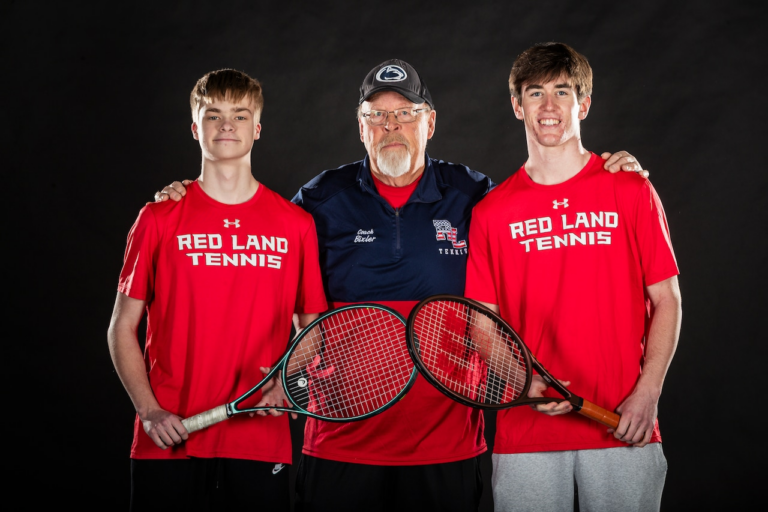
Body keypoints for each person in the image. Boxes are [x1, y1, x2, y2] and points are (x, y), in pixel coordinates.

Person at [155, 59, 647, 512]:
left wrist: (609, 170)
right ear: (361, 127)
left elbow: (542, 199)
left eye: (406, 114)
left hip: (448, 446)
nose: (392, 128)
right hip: (338, 443)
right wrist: (189, 198)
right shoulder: (318, 200)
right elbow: (253, 238)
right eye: (377, 116)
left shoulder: (476, 195)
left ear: (429, 123)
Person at [465, 43, 682, 512]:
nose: (548, 107)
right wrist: (525, 384)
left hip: (624, 423)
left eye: (562, 92)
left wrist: (648, 393)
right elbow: (483, 326)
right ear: (516, 105)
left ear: (582, 104)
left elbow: (668, 300)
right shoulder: (490, 213)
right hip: (527, 434)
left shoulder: (630, 187)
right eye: (535, 92)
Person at [107, 69, 328, 511]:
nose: (227, 125)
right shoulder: (158, 218)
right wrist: (150, 411)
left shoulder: (295, 224)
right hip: (169, 436)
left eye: (240, 115)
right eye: (214, 115)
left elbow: (313, 327)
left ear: (257, 129)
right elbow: (121, 328)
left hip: (258, 441)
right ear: (195, 128)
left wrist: (284, 382)